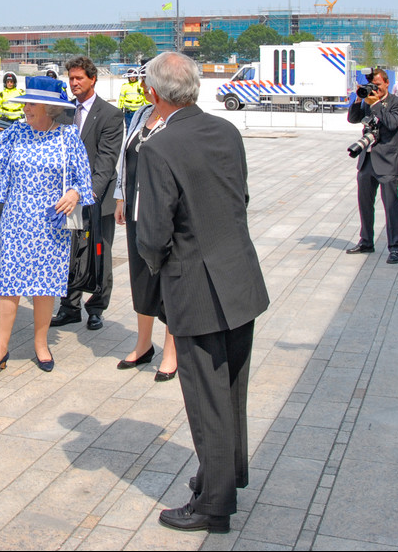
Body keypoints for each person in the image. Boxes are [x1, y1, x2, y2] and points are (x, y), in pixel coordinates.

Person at [132, 52, 270, 534]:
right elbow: (242, 198)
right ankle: (227, 474)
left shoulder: (159, 148)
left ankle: (214, 505)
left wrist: (159, 267)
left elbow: (151, 233)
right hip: (241, 279)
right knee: (231, 390)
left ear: (153, 94)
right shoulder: (226, 131)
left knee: (207, 399)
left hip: (196, 285)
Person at [0, 76, 94, 373]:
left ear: (48, 108)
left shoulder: (68, 137)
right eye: (25, 104)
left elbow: (85, 180)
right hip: (17, 221)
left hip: (51, 224)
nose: (25, 109)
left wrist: (74, 192)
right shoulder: (17, 132)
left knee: (45, 287)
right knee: (9, 284)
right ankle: (0, 350)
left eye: (31, 104)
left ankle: (41, 344)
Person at [113, 61, 178, 381]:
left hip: (163, 213)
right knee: (141, 275)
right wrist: (121, 195)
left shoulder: (177, 119)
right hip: (136, 209)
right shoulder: (140, 114)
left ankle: (171, 350)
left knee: (167, 278)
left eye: (146, 80)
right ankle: (143, 344)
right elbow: (126, 157)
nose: (141, 85)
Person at [52, 56, 123, 331]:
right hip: (67, 199)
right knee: (67, 253)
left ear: (93, 79)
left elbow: (106, 163)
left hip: (97, 198)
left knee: (99, 254)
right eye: (70, 78)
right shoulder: (64, 112)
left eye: (79, 78)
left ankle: (96, 308)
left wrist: (85, 194)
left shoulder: (110, 115)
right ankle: (69, 306)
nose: (74, 83)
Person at [345, 69, 398, 264]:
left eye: (378, 85)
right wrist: (358, 99)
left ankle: (396, 247)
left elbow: (391, 124)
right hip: (367, 160)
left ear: (387, 83)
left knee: (391, 206)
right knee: (365, 204)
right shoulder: (367, 100)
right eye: (372, 85)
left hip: (387, 163)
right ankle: (366, 241)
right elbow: (353, 119)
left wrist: (377, 104)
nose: (375, 89)